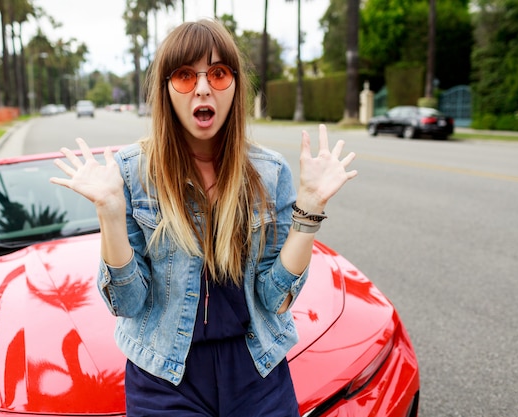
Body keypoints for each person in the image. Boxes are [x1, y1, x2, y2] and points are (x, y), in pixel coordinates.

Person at [50, 18, 357, 417]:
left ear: (233, 85)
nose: (201, 87)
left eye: (217, 73)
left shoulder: (269, 172)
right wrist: (109, 213)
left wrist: (311, 207)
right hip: (164, 374)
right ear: (166, 90)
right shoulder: (130, 172)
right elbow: (127, 302)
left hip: (256, 368)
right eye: (183, 76)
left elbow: (276, 298)